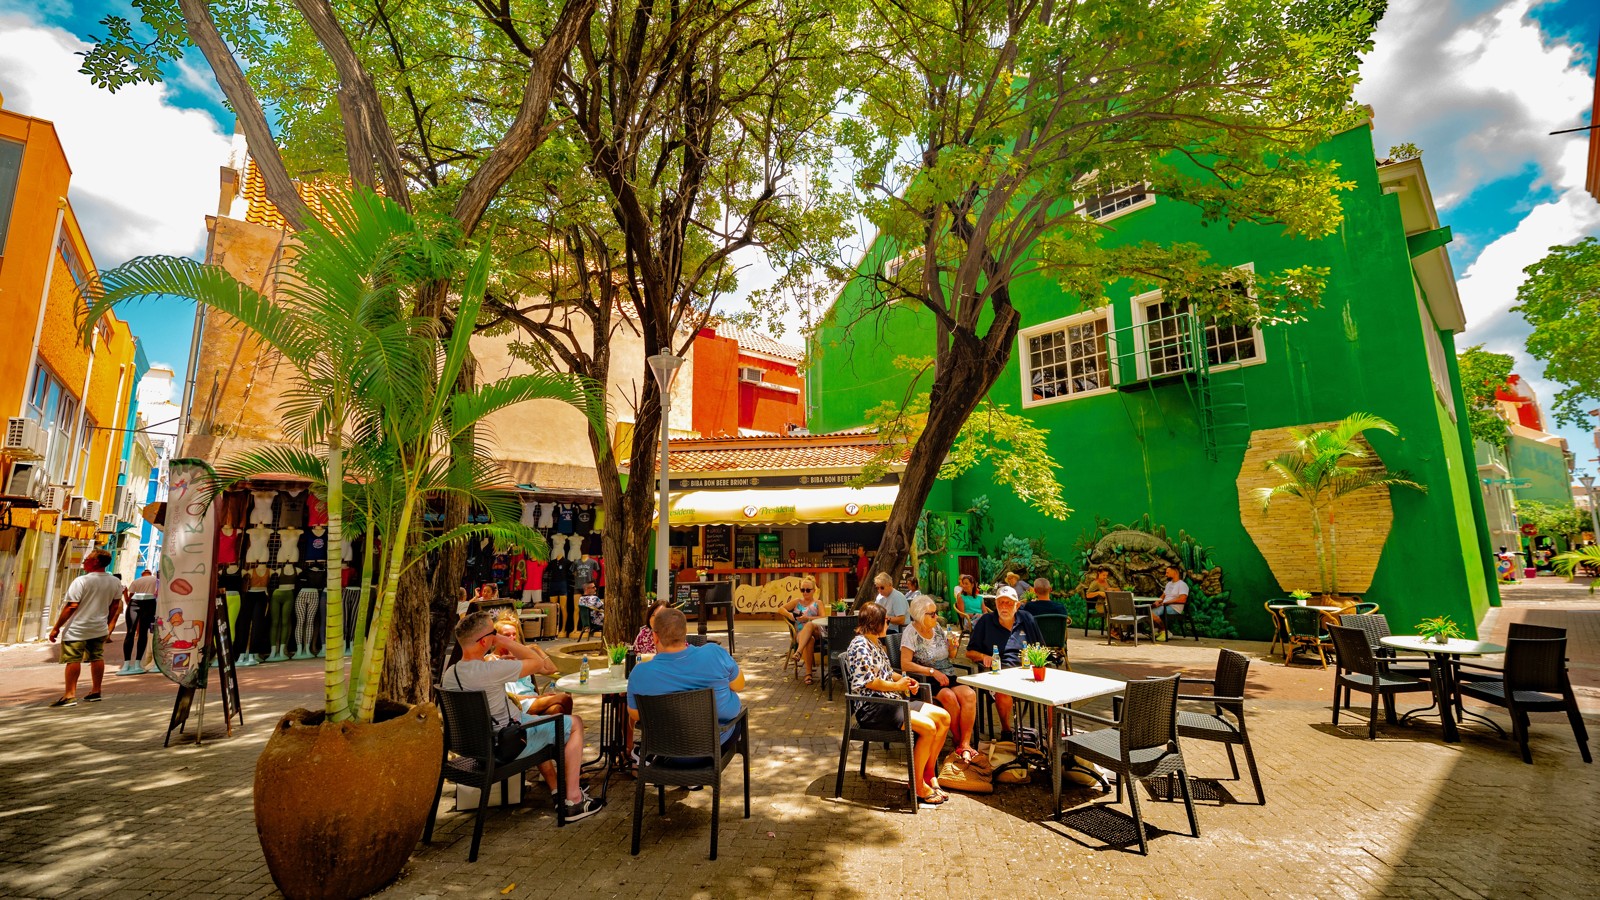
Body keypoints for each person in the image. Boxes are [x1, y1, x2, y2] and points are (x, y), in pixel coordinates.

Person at [441, 611, 603, 821]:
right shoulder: (492, 669)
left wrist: (494, 637)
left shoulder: (450, 674)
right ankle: (573, 800)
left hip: (476, 747)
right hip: (508, 745)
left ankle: (559, 787)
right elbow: (537, 662)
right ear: (484, 641)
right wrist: (502, 640)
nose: (496, 637)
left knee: (551, 720)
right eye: (493, 633)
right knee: (575, 724)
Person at [845, 601, 951, 804]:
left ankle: (928, 774)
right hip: (873, 709)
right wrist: (897, 686)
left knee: (943, 718)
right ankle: (917, 785)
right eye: (885, 620)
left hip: (891, 703)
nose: (889, 623)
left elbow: (886, 673)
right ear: (875, 623)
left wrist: (905, 680)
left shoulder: (876, 642)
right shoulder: (860, 645)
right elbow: (868, 682)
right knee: (928, 727)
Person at [626, 607, 745, 747]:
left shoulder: (639, 673)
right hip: (715, 743)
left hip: (665, 747)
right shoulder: (715, 653)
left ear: (655, 637)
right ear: (685, 632)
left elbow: (636, 714)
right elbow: (739, 685)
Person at [900, 596, 980, 763]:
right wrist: (932, 672)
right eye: (932, 614)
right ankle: (958, 741)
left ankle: (965, 743)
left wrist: (953, 647)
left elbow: (950, 656)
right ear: (920, 615)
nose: (936, 616)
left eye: (936, 613)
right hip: (926, 680)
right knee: (949, 697)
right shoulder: (910, 632)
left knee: (969, 694)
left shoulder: (936, 628)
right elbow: (905, 664)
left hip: (947, 674)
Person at [47, 549, 124, 708]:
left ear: (96, 562)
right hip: (99, 628)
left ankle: (70, 695)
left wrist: (56, 627)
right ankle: (96, 691)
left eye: (87, 559)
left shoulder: (81, 581)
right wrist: (106, 622)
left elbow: (71, 606)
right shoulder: (115, 582)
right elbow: (115, 605)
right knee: (97, 657)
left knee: (73, 659)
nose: (84, 561)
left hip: (78, 628)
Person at [965, 586, 1043, 739]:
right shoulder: (986, 621)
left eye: (1009, 603)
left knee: (1055, 692)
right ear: (996, 604)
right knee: (1003, 691)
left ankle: (1053, 735)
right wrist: (983, 656)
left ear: (1017, 605)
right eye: (1001, 602)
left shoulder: (1027, 619)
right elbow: (969, 652)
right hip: (998, 675)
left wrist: (1037, 664)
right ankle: (1006, 731)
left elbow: (1040, 648)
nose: (1004, 606)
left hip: (1026, 673)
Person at [490, 620, 573, 719]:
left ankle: (561, 728)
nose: (512, 638)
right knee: (565, 698)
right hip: (517, 703)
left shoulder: (521, 657)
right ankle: (569, 726)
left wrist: (536, 648)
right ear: (497, 638)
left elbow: (551, 669)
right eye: (507, 635)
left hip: (533, 700)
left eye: (514, 634)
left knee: (557, 709)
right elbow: (506, 695)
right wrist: (539, 697)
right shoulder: (492, 660)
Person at [118, 568, 160, 676]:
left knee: (130, 633)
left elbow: (129, 599)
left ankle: (127, 664)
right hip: (149, 603)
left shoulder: (136, 581)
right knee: (143, 633)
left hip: (136, 602)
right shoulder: (156, 580)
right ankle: (137, 663)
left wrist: (125, 594)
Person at [786, 578, 829, 684]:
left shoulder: (818, 603)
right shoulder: (797, 602)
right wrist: (789, 615)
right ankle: (808, 674)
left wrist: (807, 618)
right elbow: (780, 609)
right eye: (802, 590)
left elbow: (823, 617)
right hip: (801, 634)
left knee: (809, 624)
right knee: (809, 640)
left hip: (816, 631)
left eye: (808, 590)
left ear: (814, 590)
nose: (805, 592)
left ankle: (798, 651)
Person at [1150, 565, 1188, 642]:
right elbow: (1163, 596)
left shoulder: (1182, 585)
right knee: (1147, 612)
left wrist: (1167, 603)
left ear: (1175, 572)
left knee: (1151, 614)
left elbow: (1183, 599)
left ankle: (1165, 631)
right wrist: (1156, 602)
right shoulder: (1169, 584)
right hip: (1165, 606)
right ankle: (1160, 630)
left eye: (1168, 572)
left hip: (1174, 608)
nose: (1166, 575)